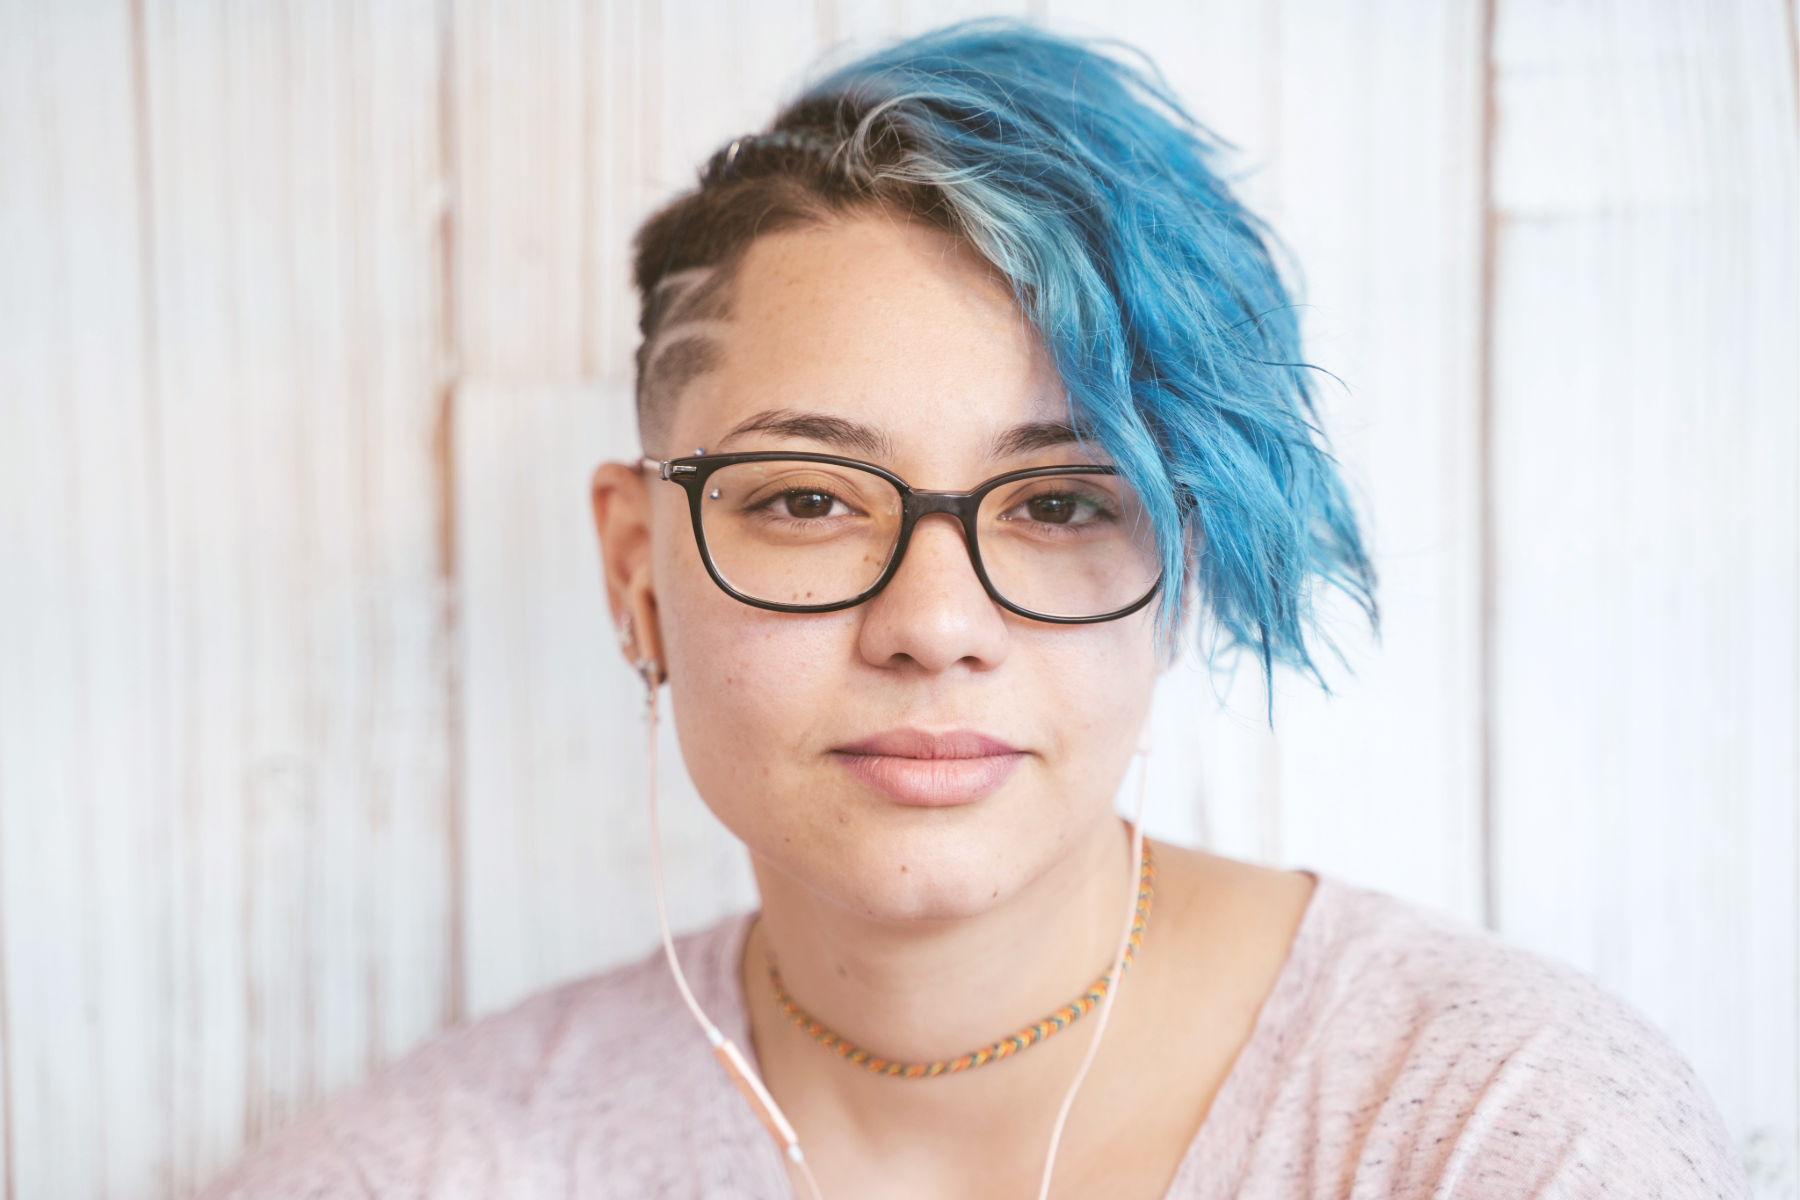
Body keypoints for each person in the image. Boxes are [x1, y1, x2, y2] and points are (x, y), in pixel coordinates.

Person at [203, 21, 1749, 1200]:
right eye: (807, 499)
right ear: (636, 569)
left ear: (1184, 548)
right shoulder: (416, 1172)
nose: (934, 623)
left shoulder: (1504, 1132)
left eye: (1062, 502)